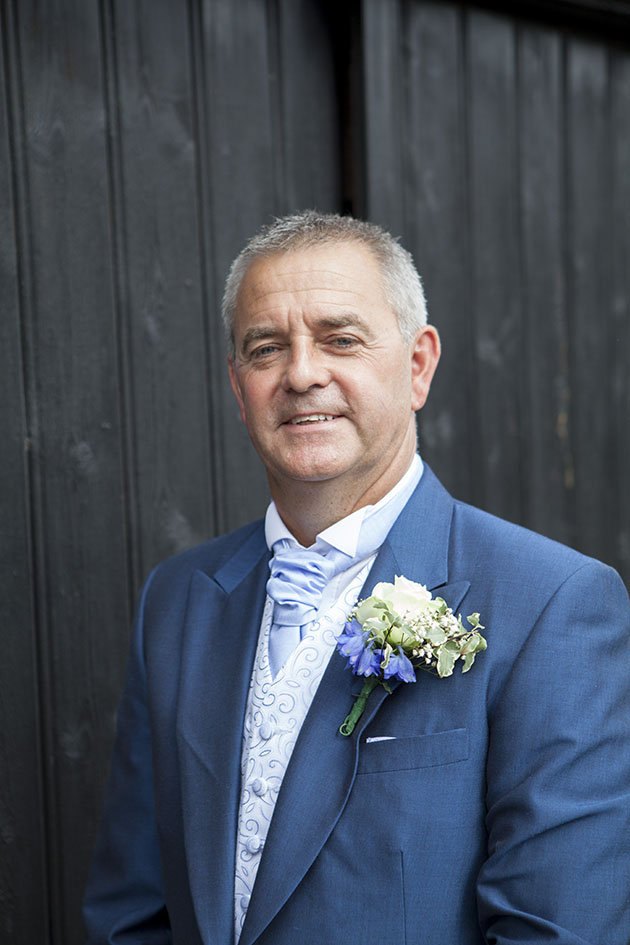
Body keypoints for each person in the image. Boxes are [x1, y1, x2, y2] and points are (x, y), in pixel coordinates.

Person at [84, 211, 630, 945]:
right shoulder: (178, 600)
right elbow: (132, 912)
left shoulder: (552, 604)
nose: (303, 373)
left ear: (417, 365)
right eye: (267, 347)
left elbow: (560, 929)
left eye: (340, 338)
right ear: (238, 384)